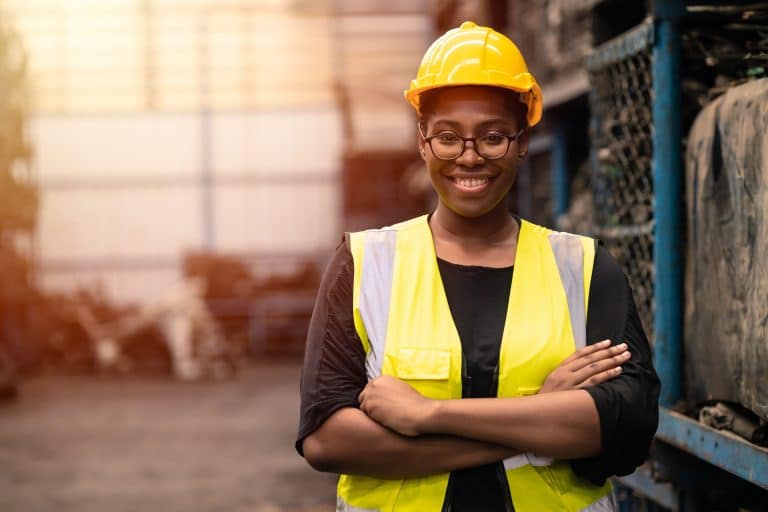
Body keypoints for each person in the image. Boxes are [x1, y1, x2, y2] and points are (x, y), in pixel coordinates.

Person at [296, 21, 660, 512]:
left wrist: (428, 415)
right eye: (448, 137)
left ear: (523, 140)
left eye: (493, 137)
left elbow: (627, 425)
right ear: (423, 141)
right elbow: (328, 440)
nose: (469, 157)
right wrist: (538, 419)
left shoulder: (584, 267)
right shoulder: (364, 264)